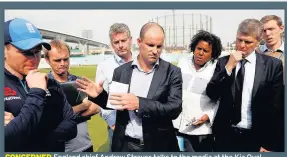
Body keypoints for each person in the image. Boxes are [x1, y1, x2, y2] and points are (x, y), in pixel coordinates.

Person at [76, 22, 183, 152]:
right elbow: (116, 103)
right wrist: (100, 96)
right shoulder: (121, 71)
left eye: (159, 46)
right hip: (126, 145)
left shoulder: (172, 72)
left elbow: (174, 108)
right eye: (150, 45)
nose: (155, 51)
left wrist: (140, 104)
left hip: (158, 145)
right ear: (139, 42)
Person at [206, 18, 283, 152]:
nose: (242, 45)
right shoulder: (224, 62)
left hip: (256, 137)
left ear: (259, 42)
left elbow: (275, 107)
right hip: (225, 136)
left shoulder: (272, 65)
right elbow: (212, 93)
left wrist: (269, 142)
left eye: (248, 42)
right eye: (239, 40)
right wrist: (228, 68)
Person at [4, 18, 77, 152]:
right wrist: (37, 91)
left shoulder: (51, 84)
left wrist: (24, 128)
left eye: (37, 51)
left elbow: (71, 126)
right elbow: (6, 139)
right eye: (26, 52)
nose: (34, 59)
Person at [44, 39, 100, 152]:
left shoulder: (79, 81)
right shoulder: (44, 85)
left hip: (86, 145)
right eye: (57, 60)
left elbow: (97, 107)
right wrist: (82, 107)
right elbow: (50, 118)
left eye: (66, 59)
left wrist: (67, 115)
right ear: (47, 60)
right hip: (59, 148)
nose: (63, 63)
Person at [173, 30, 222, 152]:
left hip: (200, 131)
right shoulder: (183, 62)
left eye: (205, 51)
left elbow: (220, 100)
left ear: (212, 54)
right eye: (198, 48)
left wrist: (208, 116)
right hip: (176, 125)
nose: (200, 53)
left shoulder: (216, 69)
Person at [95, 23, 134, 150]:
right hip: (117, 128)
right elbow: (99, 98)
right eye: (116, 42)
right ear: (112, 44)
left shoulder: (142, 62)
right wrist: (113, 124)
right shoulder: (104, 67)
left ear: (131, 40)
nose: (121, 45)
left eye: (124, 40)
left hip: (142, 127)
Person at [260, 15, 285, 152]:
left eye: (271, 29)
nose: (268, 34)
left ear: (281, 28)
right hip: (261, 116)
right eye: (264, 30)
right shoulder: (254, 54)